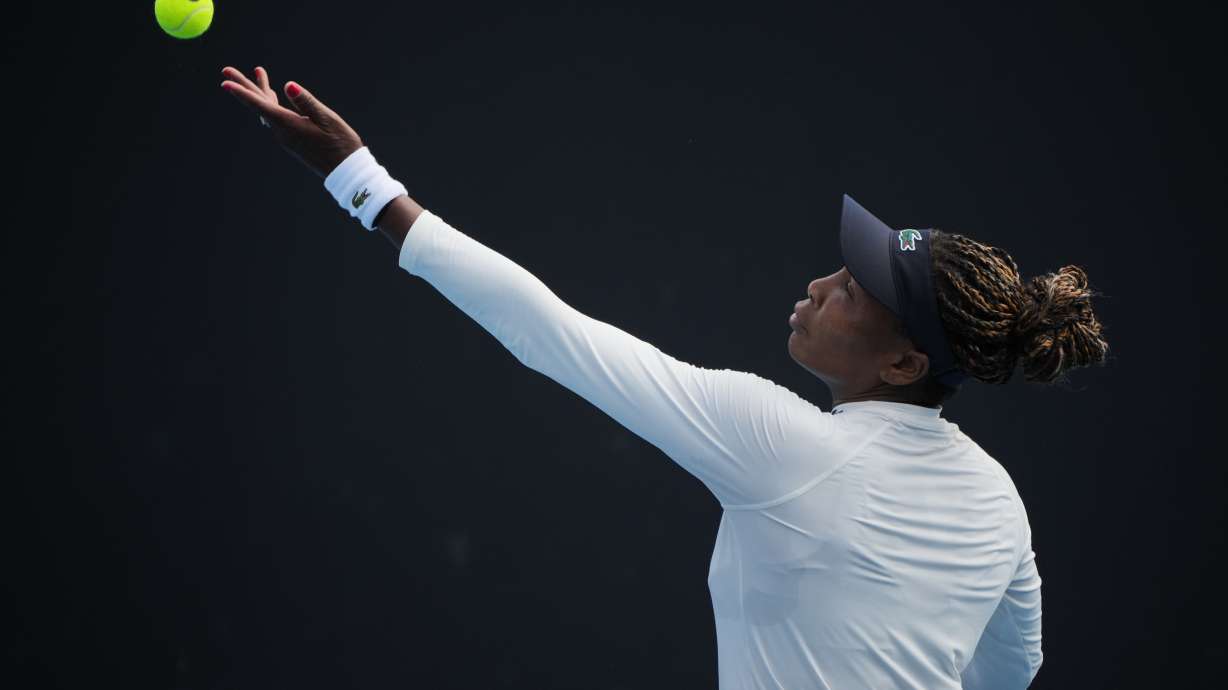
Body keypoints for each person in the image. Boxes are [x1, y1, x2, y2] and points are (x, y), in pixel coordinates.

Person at [220, 65, 1110, 689]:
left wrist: (361, 182)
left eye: (855, 290)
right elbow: (1011, 671)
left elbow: (550, 333)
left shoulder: (783, 445)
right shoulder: (999, 502)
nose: (819, 285)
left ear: (906, 361)